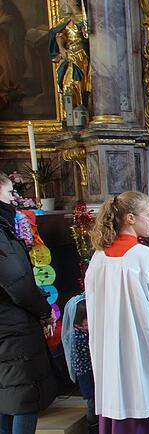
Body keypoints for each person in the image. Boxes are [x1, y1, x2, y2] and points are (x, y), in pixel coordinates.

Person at [85, 191, 149, 432]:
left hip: (111, 357)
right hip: (148, 354)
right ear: (130, 218)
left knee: (121, 407)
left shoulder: (98, 259)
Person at [0, 173, 58, 434]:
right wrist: (44, 311)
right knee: (24, 398)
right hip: (13, 328)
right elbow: (18, 282)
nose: (14, 198)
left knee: (6, 398)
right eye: (10, 191)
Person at [61, 295, 98, 434]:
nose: (89, 322)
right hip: (87, 375)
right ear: (76, 320)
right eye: (85, 319)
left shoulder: (85, 333)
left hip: (92, 373)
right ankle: (92, 426)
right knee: (92, 403)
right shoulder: (77, 337)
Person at [49, 0, 91, 109]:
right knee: (66, 84)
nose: (67, 0)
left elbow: (88, 37)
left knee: (76, 83)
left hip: (80, 56)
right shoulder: (67, 20)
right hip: (68, 55)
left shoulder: (85, 18)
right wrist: (61, 48)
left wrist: (85, 33)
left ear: (75, 3)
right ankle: (70, 113)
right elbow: (59, 35)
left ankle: (81, 108)